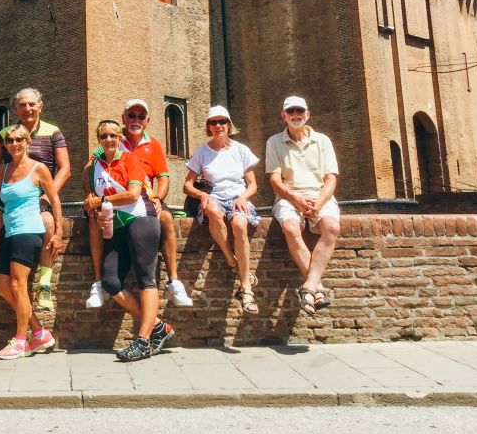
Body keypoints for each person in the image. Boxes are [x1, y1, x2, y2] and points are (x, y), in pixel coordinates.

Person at [84, 99, 192, 309]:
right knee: (93, 220)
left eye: (141, 117)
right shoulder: (114, 138)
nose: (136, 120)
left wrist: (158, 198)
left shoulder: (153, 144)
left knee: (167, 218)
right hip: (114, 200)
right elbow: (89, 168)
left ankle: (173, 281)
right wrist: (90, 196)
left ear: (147, 121)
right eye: (131, 115)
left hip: (145, 198)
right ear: (124, 118)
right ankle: (98, 283)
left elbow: (163, 177)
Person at [82, 121, 174, 361]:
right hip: (117, 226)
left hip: (140, 217)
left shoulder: (130, 159)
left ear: (119, 137)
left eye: (113, 135)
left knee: (146, 278)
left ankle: (143, 340)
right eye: (104, 136)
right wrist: (98, 210)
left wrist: (100, 202)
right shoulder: (95, 167)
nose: (109, 139)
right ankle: (158, 324)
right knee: (110, 281)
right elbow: (93, 196)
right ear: (98, 139)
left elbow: (133, 194)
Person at [0, 88, 70, 310]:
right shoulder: (5, 134)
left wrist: (50, 196)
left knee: (48, 223)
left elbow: (65, 168)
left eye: (31, 104)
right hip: (10, 194)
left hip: (39, 196)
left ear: (40, 106)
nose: (27, 109)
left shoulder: (52, 131)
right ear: (15, 108)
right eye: (22, 105)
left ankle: (45, 285)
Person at [0, 123, 63, 360]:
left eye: (19, 140)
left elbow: (54, 200)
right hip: (9, 232)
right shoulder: (3, 170)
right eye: (10, 140)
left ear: (27, 142)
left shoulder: (39, 169)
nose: (14, 144)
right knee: (3, 287)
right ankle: (40, 332)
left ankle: (21, 341)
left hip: (28, 230)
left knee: (17, 285)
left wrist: (58, 232)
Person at [266, 96, 341, 316]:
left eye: (300, 110)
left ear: (308, 114)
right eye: (291, 111)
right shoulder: (274, 142)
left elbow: (331, 179)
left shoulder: (322, 141)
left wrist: (319, 202)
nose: (295, 114)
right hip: (289, 197)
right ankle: (317, 288)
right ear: (284, 116)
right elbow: (275, 181)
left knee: (332, 228)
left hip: (320, 196)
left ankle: (308, 288)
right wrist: (296, 200)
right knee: (290, 228)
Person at [183, 106, 261, 315]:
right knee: (213, 210)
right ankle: (230, 259)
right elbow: (187, 185)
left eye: (222, 122)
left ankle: (246, 290)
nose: (218, 126)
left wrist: (243, 197)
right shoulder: (202, 152)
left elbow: (253, 184)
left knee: (239, 224)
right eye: (213, 123)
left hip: (238, 198)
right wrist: (201, 195)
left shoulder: (241, 150)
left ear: (228, 124)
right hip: (214, 197)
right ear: (208, 127)